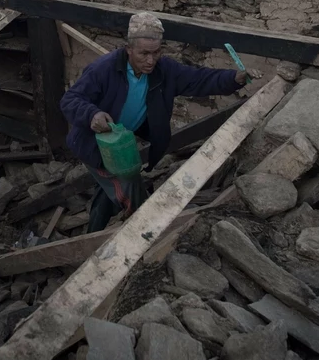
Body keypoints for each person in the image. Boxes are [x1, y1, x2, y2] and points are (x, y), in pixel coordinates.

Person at [60, 12, 261, 233]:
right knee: (130, 183)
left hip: (121, 143)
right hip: (94, 146)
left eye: (156, 53)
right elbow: (70, 100)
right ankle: (146, 232)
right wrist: (92, 115)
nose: (150, 60)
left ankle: (93, 233)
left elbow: (199, 79)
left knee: (109, 194)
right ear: (128, 49)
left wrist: (234, 78)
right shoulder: (104, 69)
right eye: (143, 53)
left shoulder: (164, 70)